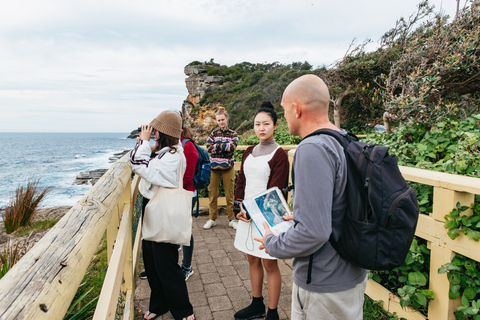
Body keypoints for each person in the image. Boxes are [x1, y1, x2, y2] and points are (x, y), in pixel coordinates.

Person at [255, 75, 368, 320]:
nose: (284, 117)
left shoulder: (312, 149)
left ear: (296, 109)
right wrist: (304, 214)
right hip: (351, 273)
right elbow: (340, 203)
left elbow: (314, 232)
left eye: (284, 110)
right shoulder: (345, 139)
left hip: (323, 284)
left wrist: (273, 243)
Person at [130, 110, 196, 320]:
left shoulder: (173, 156)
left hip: (163, 212)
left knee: (166, 266)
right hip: (155, 211)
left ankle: (184, 311)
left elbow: (139, 165)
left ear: (162, 133)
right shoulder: (166, 153)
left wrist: (143, 142)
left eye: (155, 130)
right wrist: (146, 143)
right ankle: (159, 305)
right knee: (152, 263)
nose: (152, 133)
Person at [233, 101, 289, 320]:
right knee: (252, 259)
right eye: (257, 124)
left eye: (266, 124)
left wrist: (251, 210)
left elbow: (275, 192)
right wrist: (239, 207)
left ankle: (272, 312)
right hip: (246, 214)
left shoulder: (279, 155)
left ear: (275, 126)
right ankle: (257, 303)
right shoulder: (248, 151)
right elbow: (241, 182)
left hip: (267, 217)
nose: (261, 128)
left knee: (269, 262)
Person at [203, 107, 239, 229]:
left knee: (230, 195)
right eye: (219, 120)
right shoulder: (213, 133)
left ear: (227, 119)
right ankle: (212, 218)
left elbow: (232, 148)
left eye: (222, 119)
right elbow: (208, 147)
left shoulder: (233, 133)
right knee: (212, 194)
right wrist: (224, 147)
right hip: (214, 168)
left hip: (228, 167)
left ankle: (231, 219)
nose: (221, 122)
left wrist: (217, 147)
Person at [180, 125, 199, 281]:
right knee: (177, 226)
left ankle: (187, 267)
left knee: (185, 229)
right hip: (178, 192)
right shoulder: (171, 143)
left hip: (187, 192)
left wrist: (181, 187)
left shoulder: (187, 144)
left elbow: (189, 171)